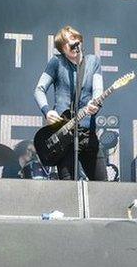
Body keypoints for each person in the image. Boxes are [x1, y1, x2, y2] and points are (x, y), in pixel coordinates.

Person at [33, 25, 107, 181]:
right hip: (63, 134)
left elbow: (98, 90)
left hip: (87, 133)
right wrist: (47, 111)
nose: (72, 44)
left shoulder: (93, 62)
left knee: (103, 187)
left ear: (79, 40)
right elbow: (39, 89)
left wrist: (96, 104)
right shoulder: (56, 62)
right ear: (62, 49)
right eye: (66, 42)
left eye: (74, 39)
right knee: (68, 190)